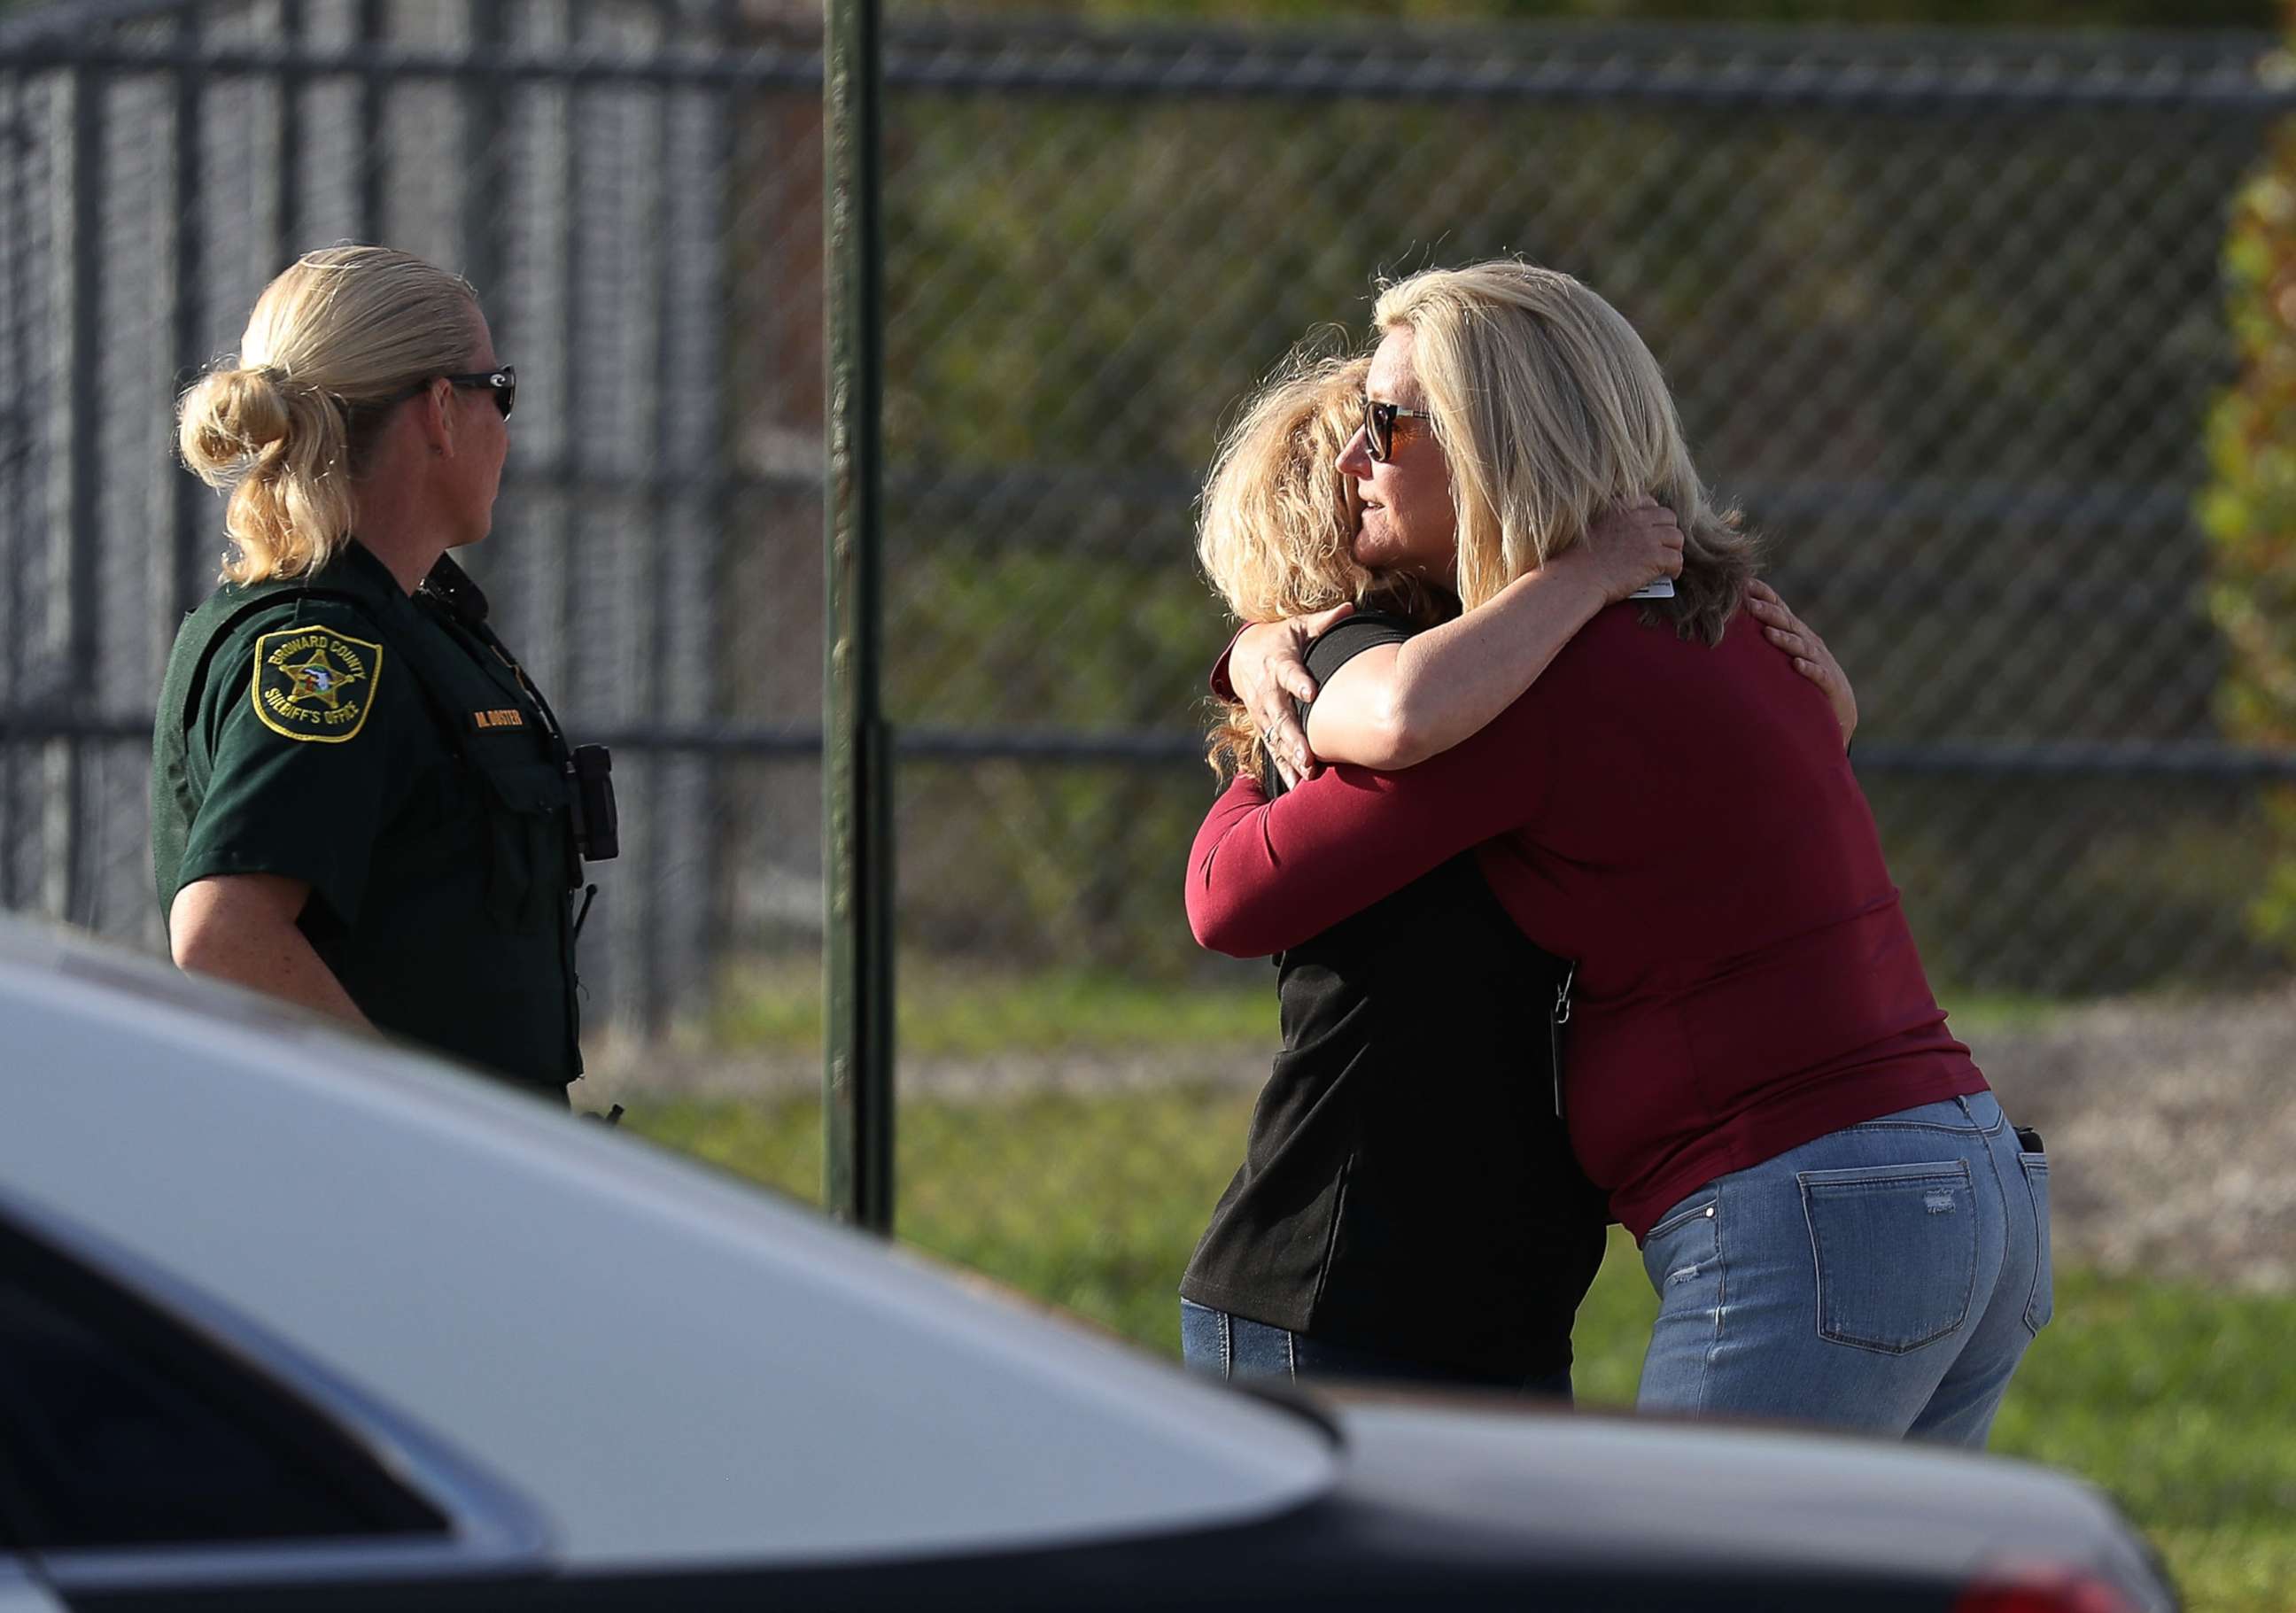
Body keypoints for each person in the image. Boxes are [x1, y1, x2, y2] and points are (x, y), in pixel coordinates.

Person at [1186, 261, 2052, 1445]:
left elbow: (1242, 886)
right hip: (1971, 1182)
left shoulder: (1543, 689)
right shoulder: (1728, 622)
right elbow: (1816, 735)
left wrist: (1258, 685)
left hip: (1810, 1210)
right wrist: (1258, 641)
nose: (1356, 455)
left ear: (1499, 438)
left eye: (1388, 421)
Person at [1181, 350, 1687, 1394]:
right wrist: (1590, 567)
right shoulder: (1364, 663)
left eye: (1401, 433)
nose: (1377, 461)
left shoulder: (1487, 662)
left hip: (1473, 1297)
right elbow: (1228, 895)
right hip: (1344, 1292)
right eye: (1363, 447)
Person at [152, 244, 607, 1103]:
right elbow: (224, 934)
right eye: (498, 393)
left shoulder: (402, 625)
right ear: (440, 410)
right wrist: (416, 1124)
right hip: (367, 1204)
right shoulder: (320, 650)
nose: (506, 432)